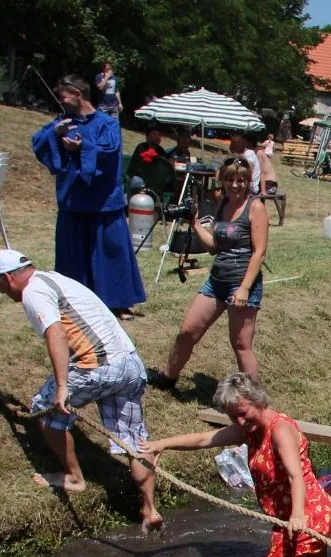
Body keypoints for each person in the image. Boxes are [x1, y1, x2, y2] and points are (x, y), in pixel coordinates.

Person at [0, 248, 159, 531]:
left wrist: (63, 386)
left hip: (98, 366)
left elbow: (56, 332)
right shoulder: (54, 278)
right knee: (134, 441)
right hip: (130, 363)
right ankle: (150, 509)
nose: (1, 291)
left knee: (43, 409)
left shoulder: (32, 292)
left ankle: (75, 478)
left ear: (7, 278)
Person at [143, 374, 331, 557]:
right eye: (233, 417)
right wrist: (162, 444)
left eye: (243, 414)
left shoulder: (280, 430)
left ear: (258, 401)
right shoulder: (248, 430)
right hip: (290, 520)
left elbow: (296, 476)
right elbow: (204, 439)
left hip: (309, 519)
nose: (240, 422)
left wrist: (298, 516)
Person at [32, 74, 145, 320]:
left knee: (111, 253)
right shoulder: (61, 121)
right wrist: (54, 133)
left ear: (77, 94)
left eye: (63, 96)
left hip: (104, 201)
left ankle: (118, 303)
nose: (61, 102)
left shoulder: (107, 123)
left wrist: (82, 147)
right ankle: (74, 302)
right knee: (73, 257)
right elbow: (38, 143)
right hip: (73, 201)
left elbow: (110, 150)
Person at [150, 157, 268, 386]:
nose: (236, 184)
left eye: (241, 180)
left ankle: (255, 401)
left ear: (248, 181)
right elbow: (214, 246)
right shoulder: (223, 204)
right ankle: (168, 377)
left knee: (241, 344)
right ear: (222, 180)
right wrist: (194, 223)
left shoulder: (256, 207)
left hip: (242, 283)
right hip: (217, 281)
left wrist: (244, 289)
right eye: (231, 179)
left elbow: (259, 252)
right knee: (187, 331)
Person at [126, 125, 174, 202]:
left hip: (152, 179)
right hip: (139, 177)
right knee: (138, 181)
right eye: (154, 134)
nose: (157, 137)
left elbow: (166, 162)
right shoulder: (141, 147)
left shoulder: (160, 150)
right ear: (147, 136)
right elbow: (147, 157)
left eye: (159, 135)